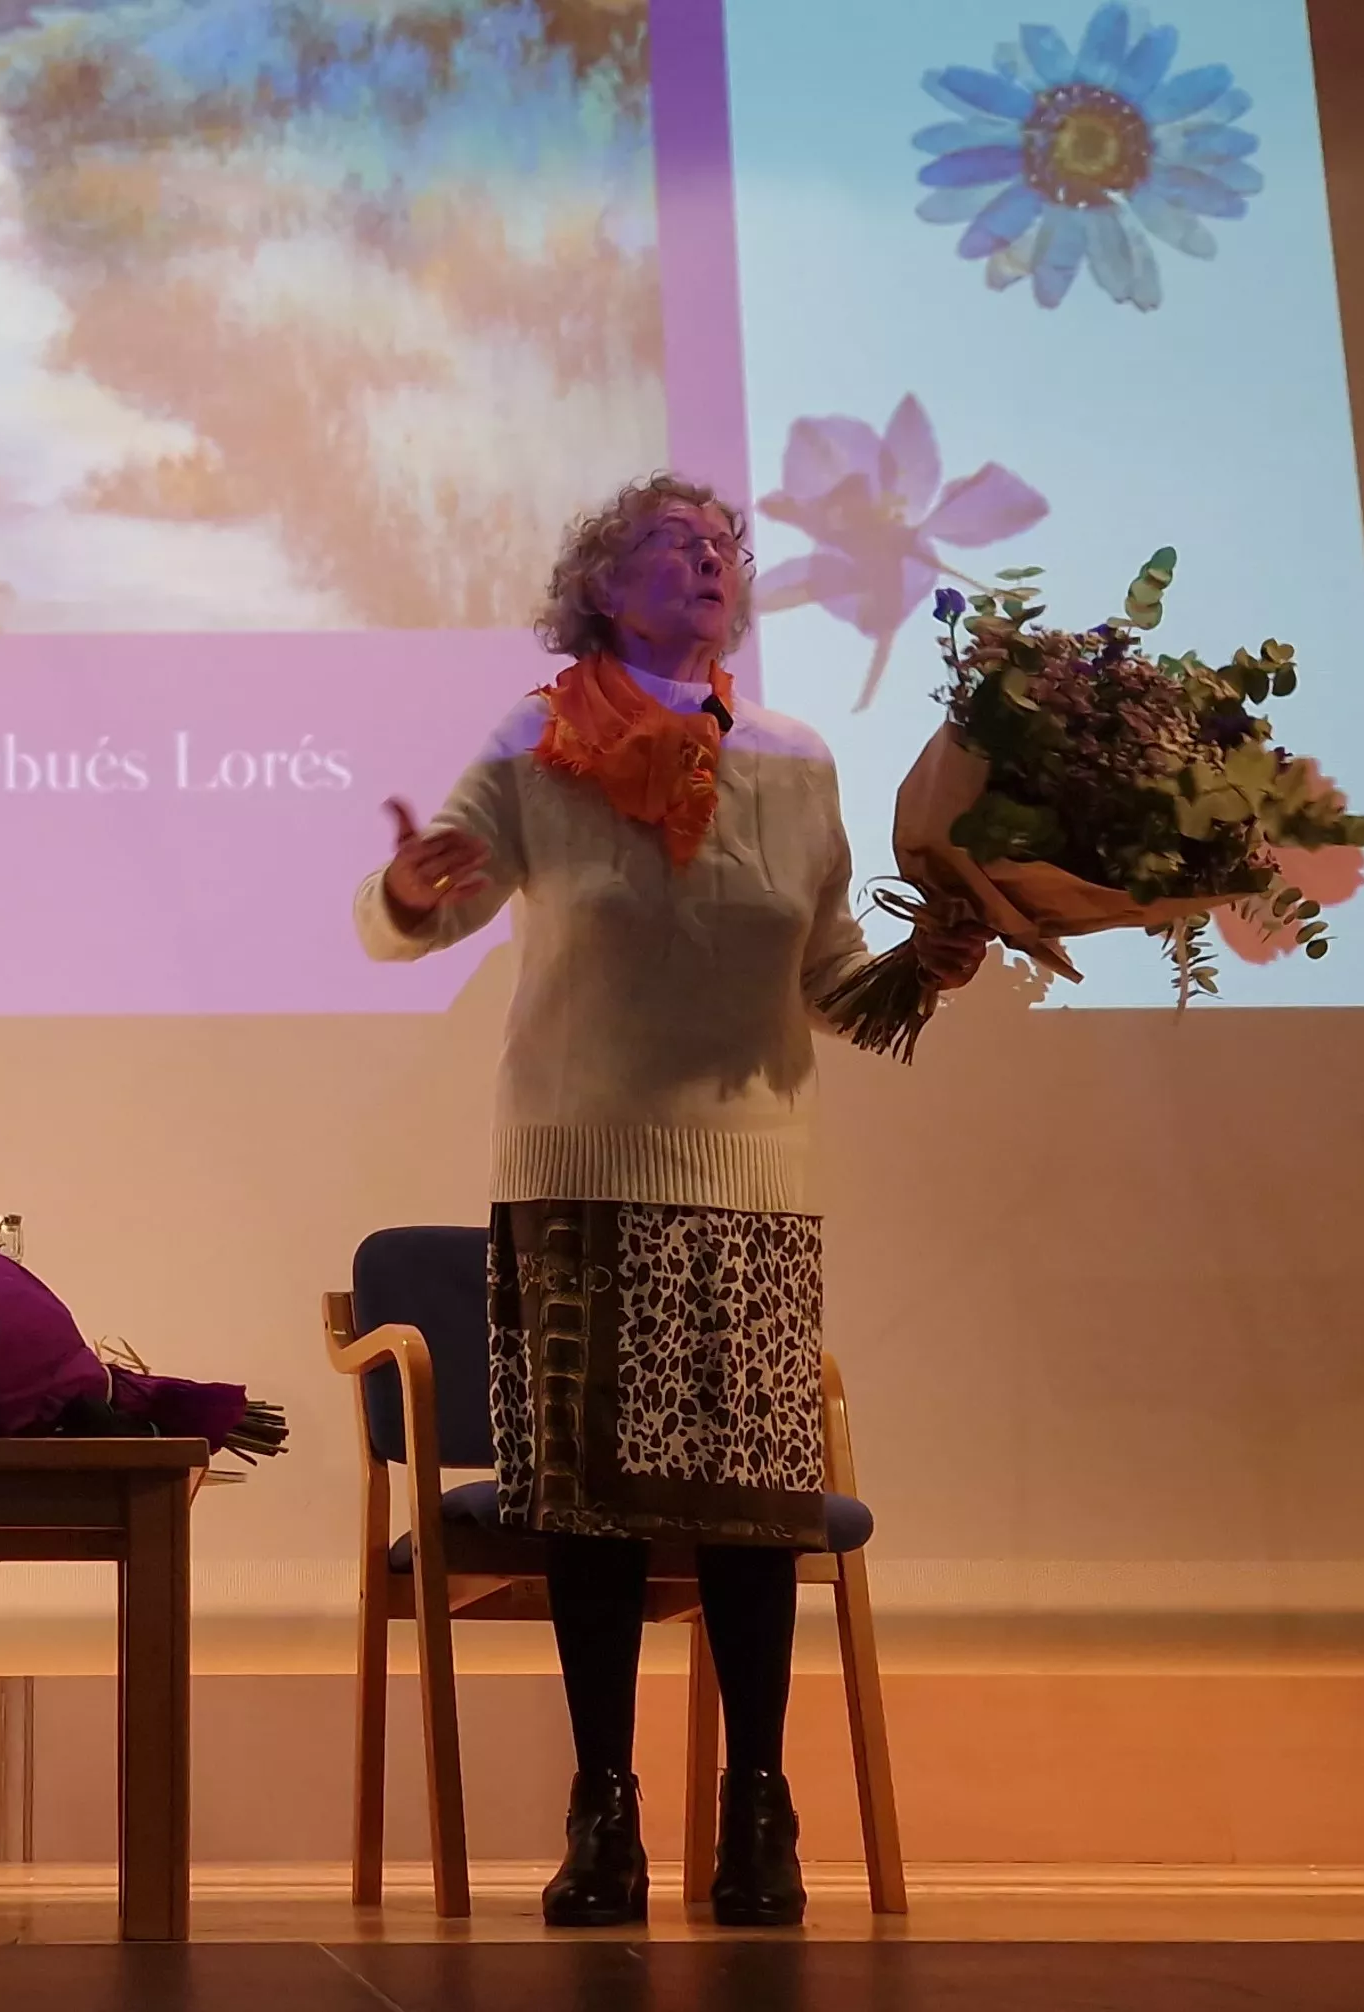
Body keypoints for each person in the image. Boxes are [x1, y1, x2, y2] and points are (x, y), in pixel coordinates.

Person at [358, 476, 992, 1928]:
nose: (708, 561)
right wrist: (406, 891)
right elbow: (423, 920)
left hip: (750, 1193)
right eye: (671, 545)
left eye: (722, 548)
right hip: (579, 1179)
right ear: (602, 586)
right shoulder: (535, 746)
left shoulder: (796, 760)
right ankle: (605, 1815)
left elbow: (832, 977)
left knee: (749, 1516)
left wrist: (930, 969)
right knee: (592, 1517)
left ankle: (759, 1811)